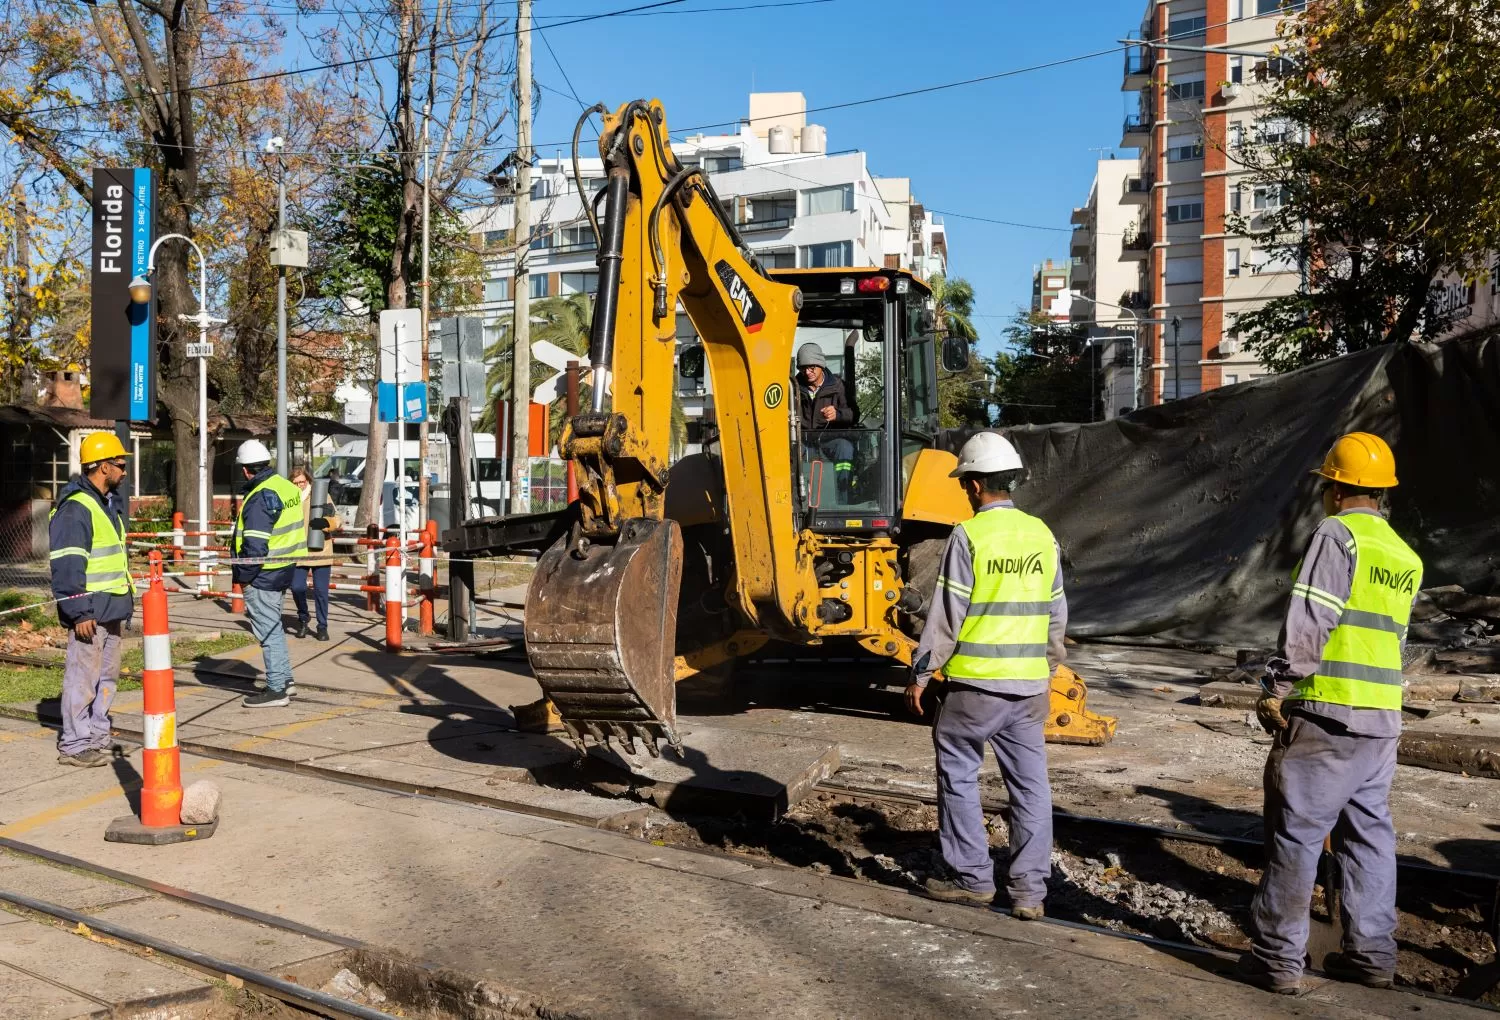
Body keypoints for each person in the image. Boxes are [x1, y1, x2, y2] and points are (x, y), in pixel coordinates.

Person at [1239, 432, 1421, 995]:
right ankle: (1372, 956)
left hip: (1328, 714)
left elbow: (1313, 618)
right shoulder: (1404, 555)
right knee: (1368, 837)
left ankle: (1277, 961)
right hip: (1381, 718)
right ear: (1382, 492)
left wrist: (1278, 685)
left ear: (1336, 489)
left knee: (1297, 835)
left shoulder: (1337, 535)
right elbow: (1396, 639)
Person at [905, 432, 1065, 919]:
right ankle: (1030, 893)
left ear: (974, 485)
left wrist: (921, 673)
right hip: (1030, 688)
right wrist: (1046, 668)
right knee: (1031, 788)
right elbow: (1056, 615)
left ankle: (972, 879)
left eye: (963, 484)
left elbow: (946, 616)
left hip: (975, 689)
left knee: (958, 773)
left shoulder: (969, 536)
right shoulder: (1042, 534)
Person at [48, 432, 134, 767]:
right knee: (82, 679)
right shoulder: (76, 508)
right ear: (102, 466)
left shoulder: (104, 504)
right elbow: (68, 565)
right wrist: (79, 611)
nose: (124, 471)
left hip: (110, 608)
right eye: (120, 464)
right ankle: (75, 744)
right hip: (90, 612)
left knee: (106, 679)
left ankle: (97, 736)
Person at [231, 440, 304, 707]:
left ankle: (276, 690)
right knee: (274, 627)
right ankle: (285, 681)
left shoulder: (260, 496)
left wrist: (244, 577)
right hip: (284, 568)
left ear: (245, 470)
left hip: (263, 573)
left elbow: (255, 546)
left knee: (268, 632)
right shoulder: (285, 487)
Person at [795, 342, 855, 502]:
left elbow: (853, 414)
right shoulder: (793, 388)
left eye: (811, 367)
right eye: (803, 368)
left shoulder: (838, 386)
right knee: (788, 452)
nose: (807, 372)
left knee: (844, 448)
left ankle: (842, 498)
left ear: (821, 365)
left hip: (830, 440)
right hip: (803, 441)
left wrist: (838, 414)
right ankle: (795, 500)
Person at [287, 467, 340, 641]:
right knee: (297, 587)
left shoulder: (321, 495)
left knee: (321, 592)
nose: (299, 486)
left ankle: (322, 627)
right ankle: (303, 618)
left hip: (321, 550)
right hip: (298, 551)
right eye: (295, 483)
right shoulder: (289, 499)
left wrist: (325, 523)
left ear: (308, 480)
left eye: (302, 482)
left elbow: (337, 519)